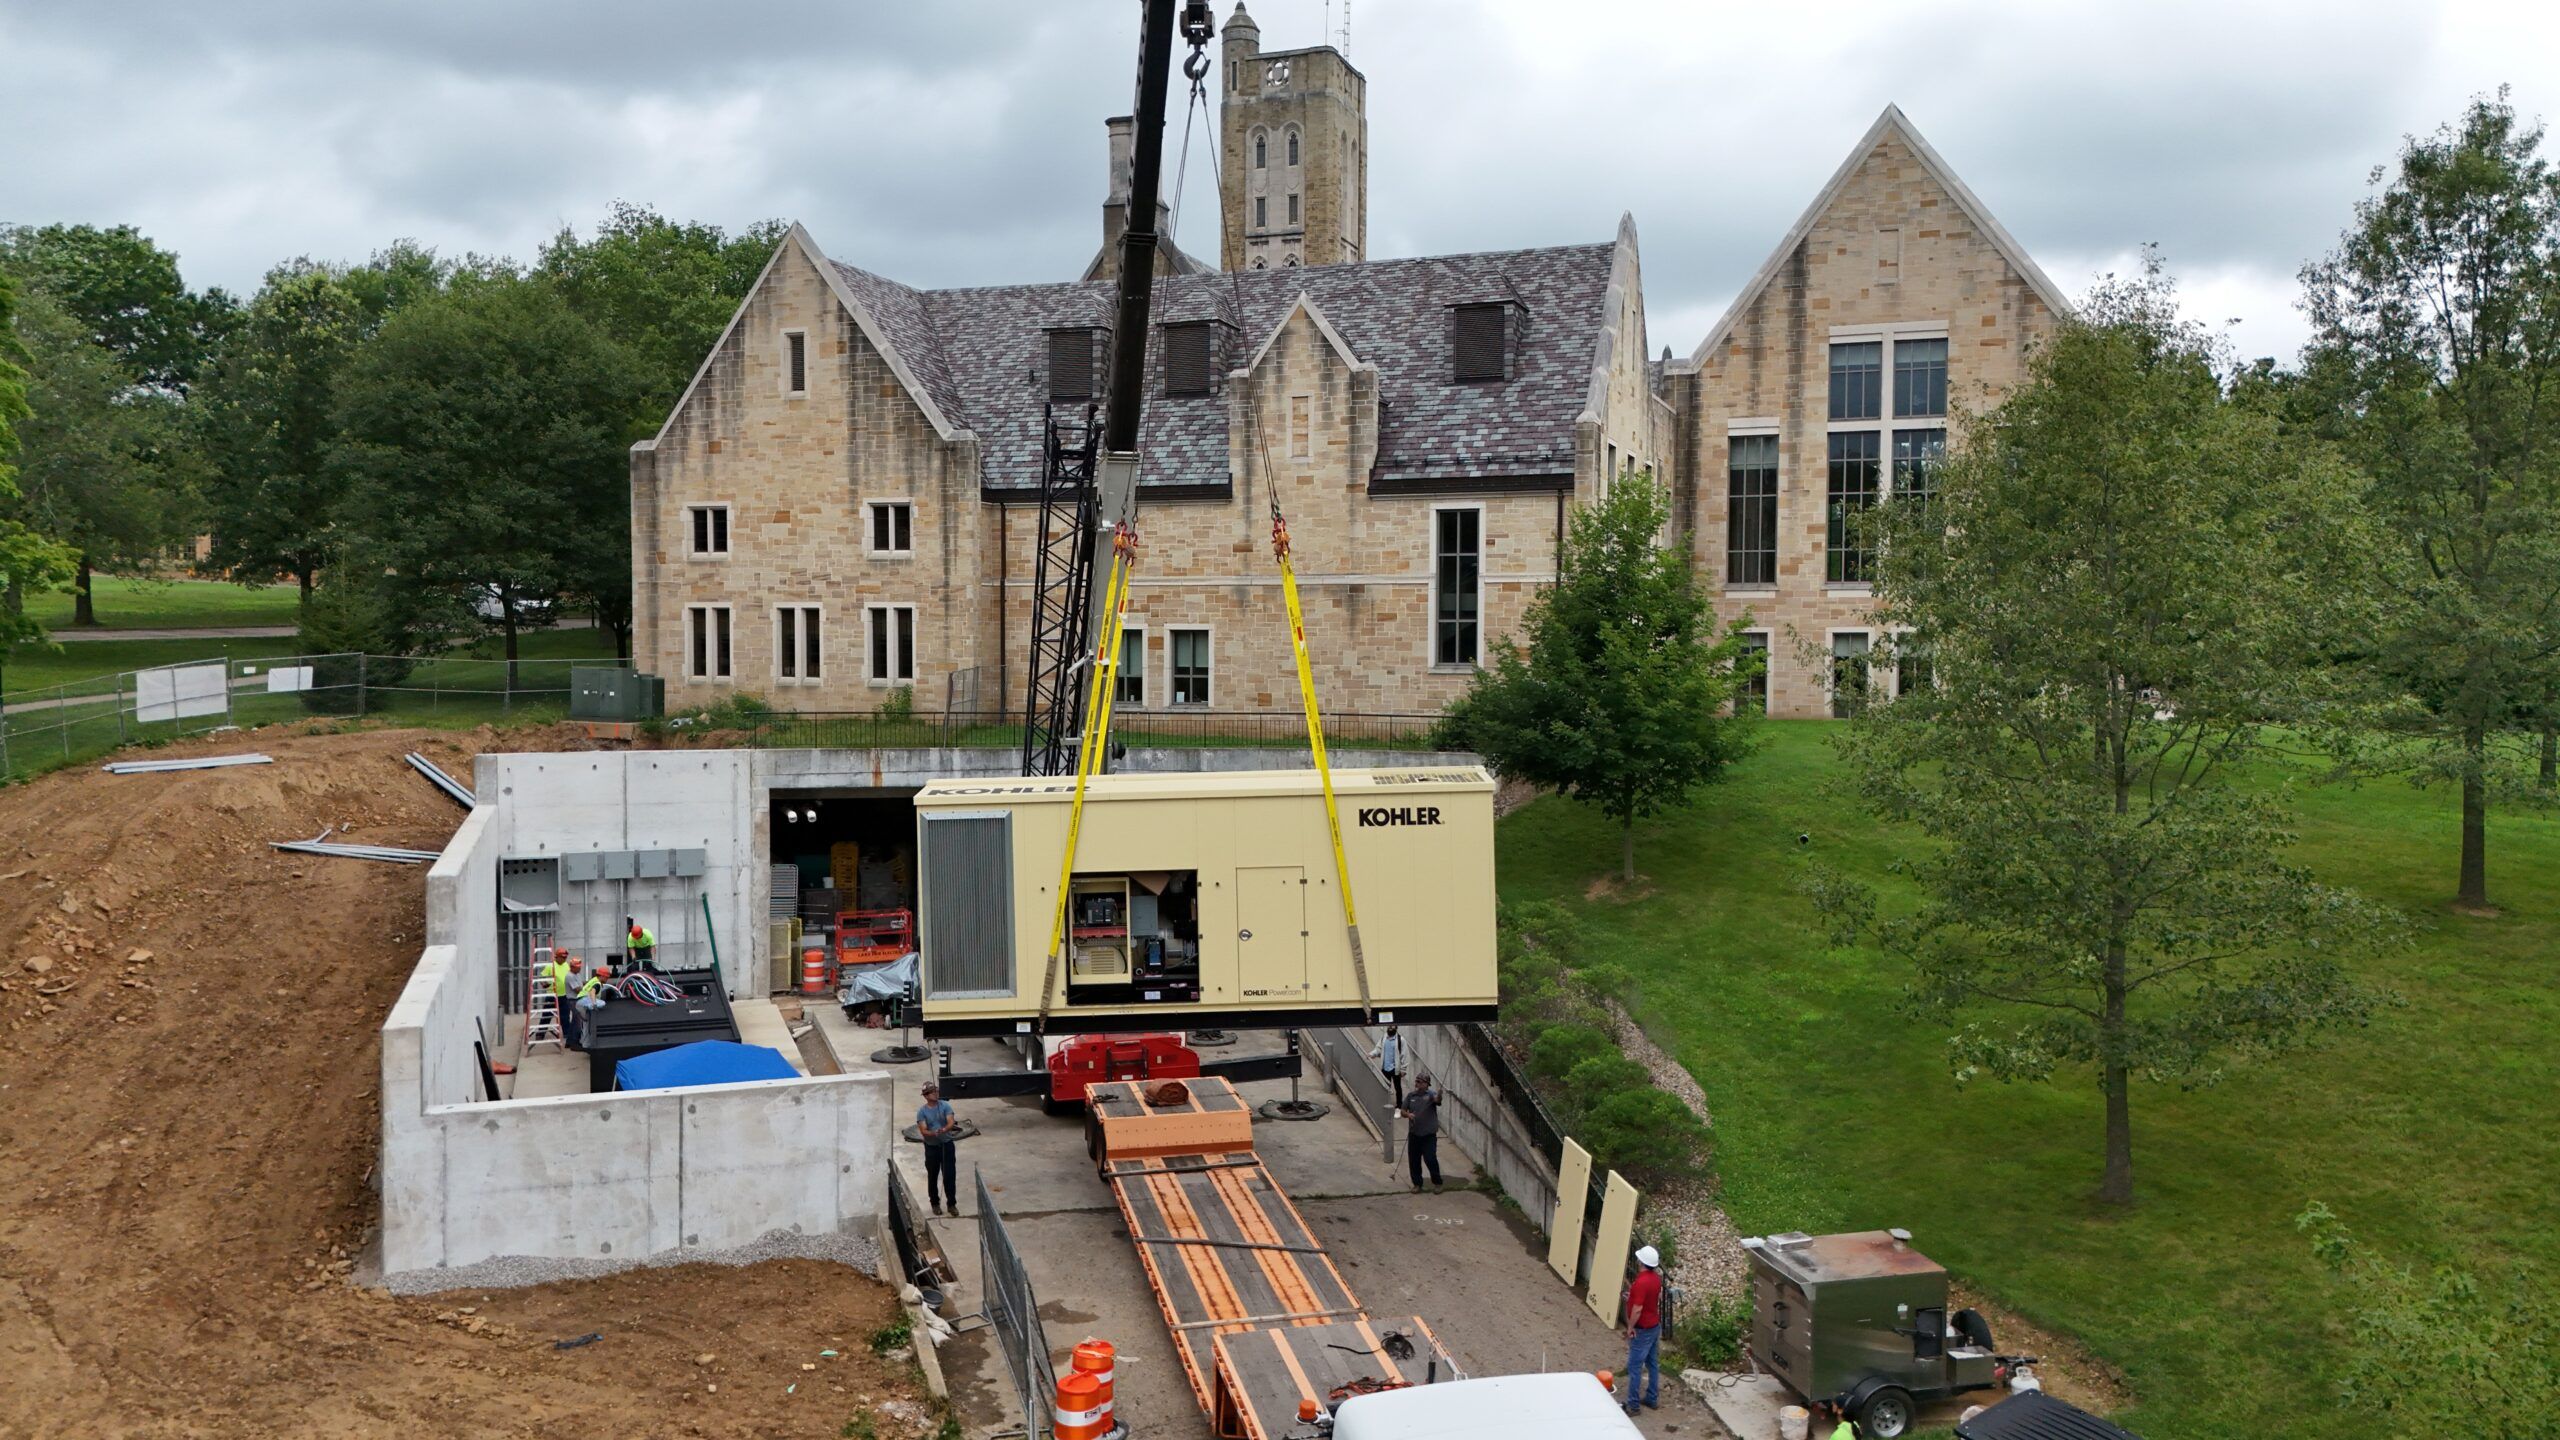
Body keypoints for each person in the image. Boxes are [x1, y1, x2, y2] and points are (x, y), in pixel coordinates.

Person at [1620, 1244, 1665, 1416]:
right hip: (1654, 1326)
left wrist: (1630, 1327)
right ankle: (1652, 1398)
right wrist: (1630, 1297)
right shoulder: (1656, 1279)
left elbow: (1637, 1309)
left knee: (1634, 1366)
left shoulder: (1641, 1282)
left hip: (1642, 1329)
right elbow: (1654, 1298)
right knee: (1653, 1363)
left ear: (1641, 1261)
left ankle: (1633, 1405)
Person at [916, 1082, 959, 1216]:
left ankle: (951, 1204)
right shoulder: (922, 1112)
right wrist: (932, 1133)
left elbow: (951, 1121)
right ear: (926, 1096)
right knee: (933, 1176)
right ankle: (935, 1203)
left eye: (936, 1090)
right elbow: (923, 1129)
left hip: (946, 1145)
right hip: (931, 1147)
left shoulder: (945, 1105)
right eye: (932, 1092)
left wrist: (945, 1129)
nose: (936, 1093)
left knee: (949, 1176)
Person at [1400, 1071, 1442, 1191]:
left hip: (1428, 1135)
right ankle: (1417, 1184)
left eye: (1420, 1081)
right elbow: (1402, 1111)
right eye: (1416, 1081)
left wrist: (1440, 1095)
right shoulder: (1411, 1096)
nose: (1417, 1083)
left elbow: (1437, 1100)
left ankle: (1437, 1182)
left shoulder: (1430, 1095)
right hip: (1414, 1134)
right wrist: (1408, 1115)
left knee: (1430, 1158)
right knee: (1414, 1160)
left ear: (1426, 1084)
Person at [1374, 1023, 1403, 1107]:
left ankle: (1399, 1105)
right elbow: (1378, 1049)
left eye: (1392, 1025)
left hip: (1395, 1068)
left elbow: (1404, 1055)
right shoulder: (1383, 1038)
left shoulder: (1400, 1040)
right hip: (1385, 1067)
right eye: (1389, 1025)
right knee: (1385, 1087)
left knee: (1398, 1087)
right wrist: (1372, 1054)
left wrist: (1403, 1069)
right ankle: (1385, 1103)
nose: (1390, 1027)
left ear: (1396, 1027)